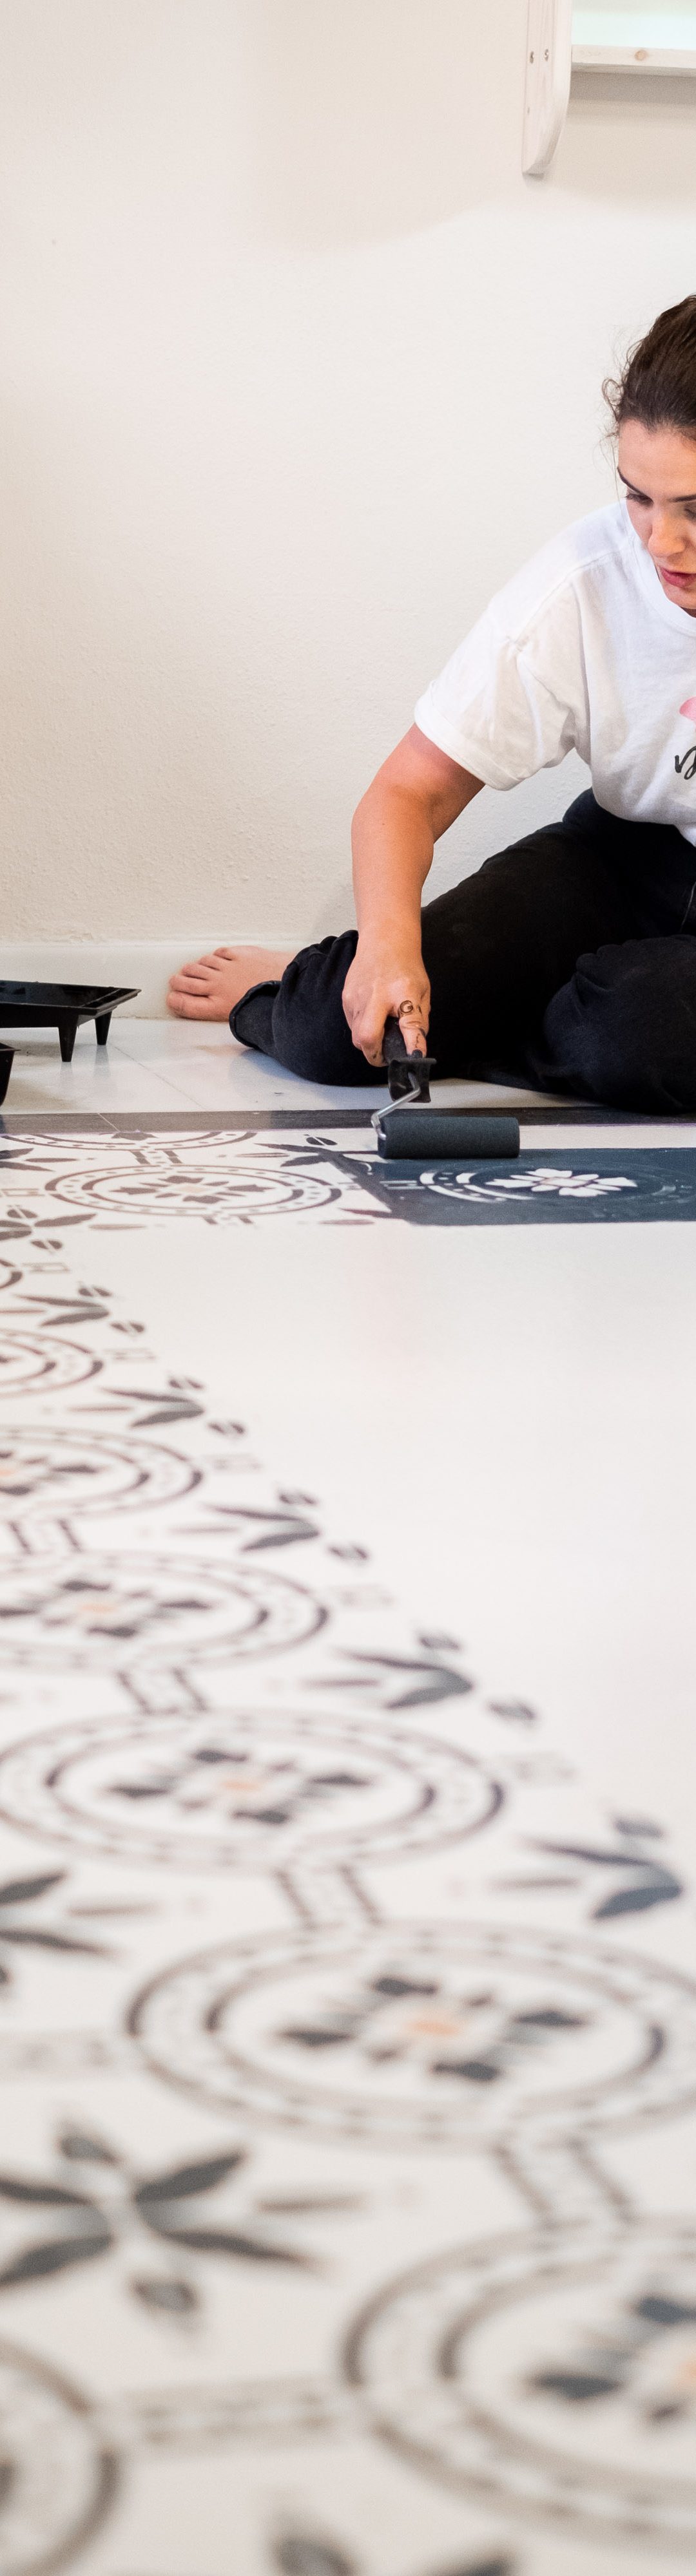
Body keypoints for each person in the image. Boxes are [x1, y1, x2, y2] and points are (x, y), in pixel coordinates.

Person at [168, 298, 696, 1112]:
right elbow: (407, 792)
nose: (660, 542)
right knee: (334, 1029)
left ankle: (582, 1019)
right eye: (639, 497)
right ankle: (343, 986)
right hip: (626, 859)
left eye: (694, 507)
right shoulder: (585, 579)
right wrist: (387, 946)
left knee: (637, 1029)